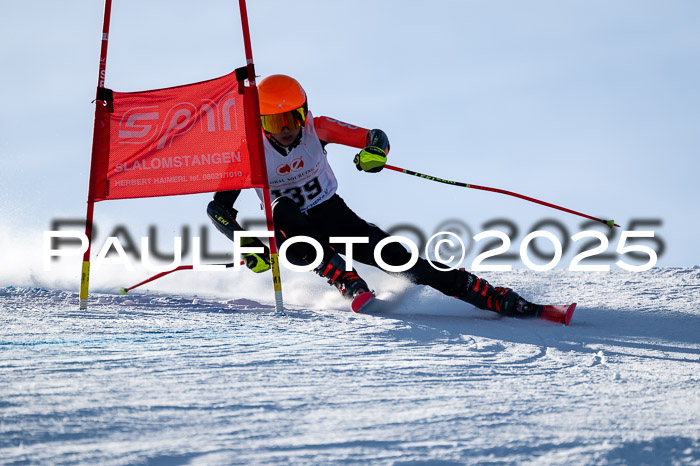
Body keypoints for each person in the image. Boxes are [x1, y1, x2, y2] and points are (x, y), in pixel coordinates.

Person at [207, 74, 542, 319]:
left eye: (293, 117)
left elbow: (374, 136)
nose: (286, 129)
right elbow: (218, 207)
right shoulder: (249, 153)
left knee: (401, 259)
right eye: (274, 121)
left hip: (333, 214)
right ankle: (341, 275)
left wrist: (374, 154)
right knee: (282, 208)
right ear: (260, 122)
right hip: (291, 232)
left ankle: (493, 297)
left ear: (304, 111)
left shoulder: (318, 128)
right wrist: (246, 244)